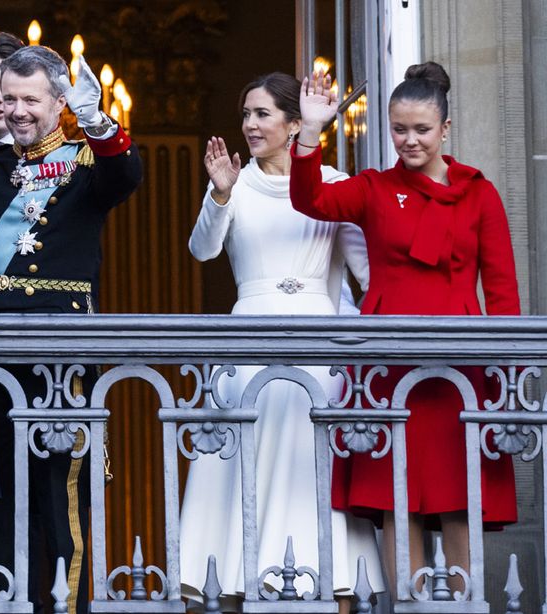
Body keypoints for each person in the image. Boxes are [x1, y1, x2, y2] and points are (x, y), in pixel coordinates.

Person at [290, 62, 520, 591]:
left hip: (459, 368)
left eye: (421, 129)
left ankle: (463, 607)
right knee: (397, 501)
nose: (409, 140)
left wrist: (506, 376)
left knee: (459, 501)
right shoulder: (372, 188)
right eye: (399, 129)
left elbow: (503, 292)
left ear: (445, 128)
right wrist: (309, 129)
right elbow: (312, 199)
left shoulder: (479, 193)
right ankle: (412, 607)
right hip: (386, 368)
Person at [178, 72, 380, 612]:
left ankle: (333, 588)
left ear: (296, 124)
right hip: (248, 348)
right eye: (246, 114)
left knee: (309, 476)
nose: (249, 124)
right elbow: (202, 251)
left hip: (320, 353)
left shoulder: (333, 183)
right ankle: (236, 589)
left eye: (262, 114)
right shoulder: (234, 184)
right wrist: (219, 193)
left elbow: (368, 275)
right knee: (241, 476)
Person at [0, 45, 142, 613]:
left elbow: (126, 174)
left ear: (59, 102)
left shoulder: (84, 160)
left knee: (60, 497)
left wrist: (96, 120)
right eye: (9, 98)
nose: (17, 110)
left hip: (61, 352)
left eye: (31, 99)